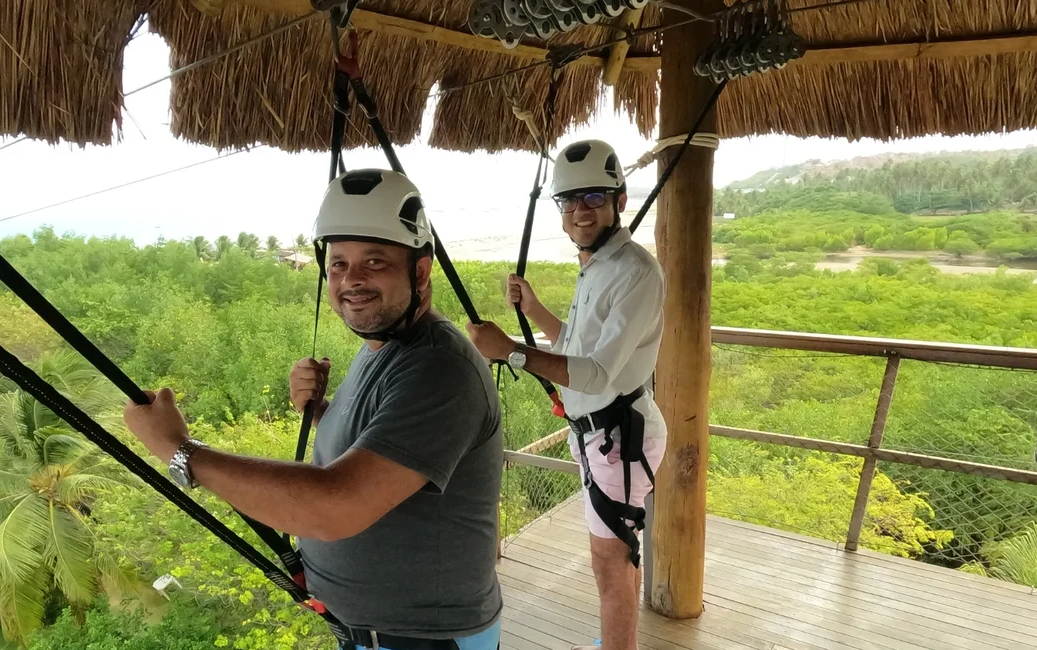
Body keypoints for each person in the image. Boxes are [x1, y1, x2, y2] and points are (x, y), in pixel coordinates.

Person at [124, 169, 504, 650]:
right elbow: (384, 452)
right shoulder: (384, 348)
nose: (352, 280)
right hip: (379, 633)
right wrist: (323, 409)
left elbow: (335, 507)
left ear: (420, 272)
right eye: (339, 263)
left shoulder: (438, 369)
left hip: (423, 639)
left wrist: (180, 450)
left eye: (375, 261)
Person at [466, 140, 667, 650]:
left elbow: (596, 375)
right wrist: (534, 311)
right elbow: (578, 348)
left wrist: (511, 351)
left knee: (612, 559)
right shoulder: (597, 265)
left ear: (620, 200)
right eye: (570, 200)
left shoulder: (635, 273)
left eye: (594, 197)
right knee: (612, 555)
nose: (581, 210)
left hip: (619, 439)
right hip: (601, 438)